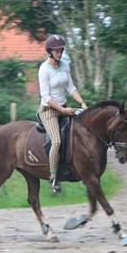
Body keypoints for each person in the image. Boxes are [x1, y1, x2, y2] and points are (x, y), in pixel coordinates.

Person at [38, 35, 88, 193]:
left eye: (61, 49)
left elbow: (71, 88)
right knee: (57, 141)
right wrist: (63, 110)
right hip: (49, 110)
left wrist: (82, 103)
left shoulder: (65, 66)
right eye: (56, 50)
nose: (59, 52)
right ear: (50, 51)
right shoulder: (44, 69)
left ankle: (80, 170)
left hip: (65, 107)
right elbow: (46, 97)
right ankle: (53, 178)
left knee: (80, 133)